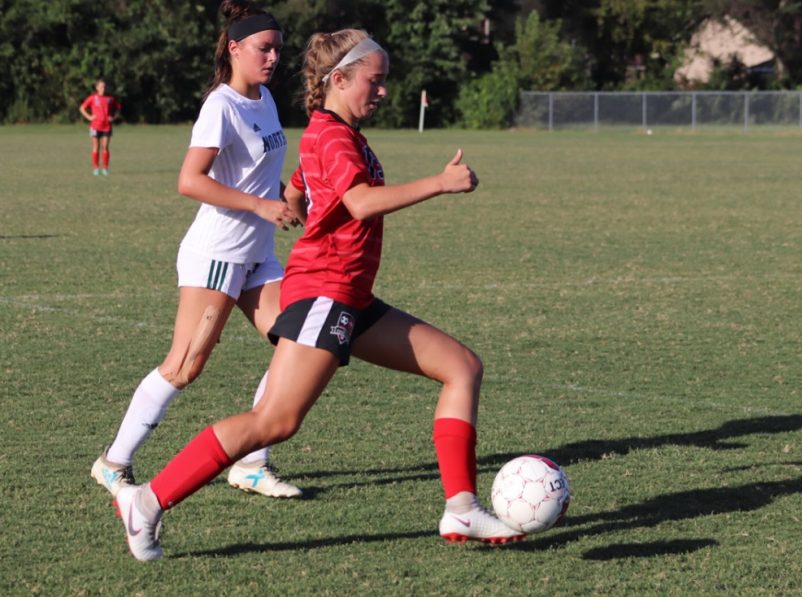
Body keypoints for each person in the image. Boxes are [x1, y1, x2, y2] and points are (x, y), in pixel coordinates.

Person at [111, 28, 525, 561]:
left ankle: (462, 507)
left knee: (462, 366)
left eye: (384, 81)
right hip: (325, 294)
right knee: (275, 422)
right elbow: (358, 202)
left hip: (349, 293)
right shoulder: (332, 135)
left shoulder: (331, 132)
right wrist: (438, 183)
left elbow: (306, 189)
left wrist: (296, 203)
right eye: (374, 82)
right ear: (340, 79)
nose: (382, 91)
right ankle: (146, 502)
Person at [91, 0, 302, 502]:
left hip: (257, 253)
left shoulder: (266, 99)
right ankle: (113, 462)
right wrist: (259, 204)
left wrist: (291, 200)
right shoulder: (221, 106)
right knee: (185, 366)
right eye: (264, 49)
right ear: (235, 48)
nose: (273, 58)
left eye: (277, 50)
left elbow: (264, 174)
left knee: (296, 343)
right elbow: (189, 180)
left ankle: (252, 463)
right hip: (218, 253)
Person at [79, 79, 122, 176]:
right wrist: (89, 117)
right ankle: (95, 168)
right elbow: (82, 108)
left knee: (105, 147)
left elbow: (118, 108)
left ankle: (105, 168)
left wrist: (113, 117)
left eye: (104, 86)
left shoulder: (110, 98)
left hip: (107, 126)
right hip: (95, 126)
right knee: (96, 146)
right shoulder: (93, 98)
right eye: (101, 87)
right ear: (97, 88)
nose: (103, 88)